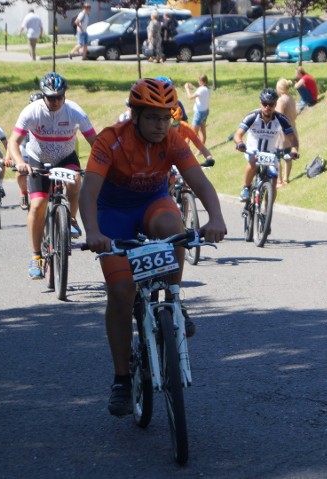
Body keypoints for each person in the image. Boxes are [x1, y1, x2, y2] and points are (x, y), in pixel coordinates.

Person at [79, 78, 227, 417]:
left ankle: (174, 299)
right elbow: (89, 191)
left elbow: (200, 182)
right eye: (153, 118)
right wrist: (93, 232)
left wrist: (216, 218)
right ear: (135, 116)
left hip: (152, 204)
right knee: (121, 291)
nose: (161, 125)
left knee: (174, 227)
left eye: (167, 117)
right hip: (112, 214)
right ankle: (120, 379)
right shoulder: (110, 140)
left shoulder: (173, 140)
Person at [9, 72, 97, 279]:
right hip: (37, 158)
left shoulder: (75, 112)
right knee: (38, 204)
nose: (55, 101)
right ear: (43, 96)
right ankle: (36, 256)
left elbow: (96, 143)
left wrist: (99, 165)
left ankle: (72, 219)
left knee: (76, 181)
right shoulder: (32, 111)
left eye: (59, 96)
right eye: (50, 97)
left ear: (65, 95)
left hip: (65, 157)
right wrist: (21, 163)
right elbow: (13, 141)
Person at [233, 88, 299, 202]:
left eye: (271, 104)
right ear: (260, 103)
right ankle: (246, 188)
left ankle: (267, 211)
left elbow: (293, 139)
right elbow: (238, 135)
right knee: (254, 161)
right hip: (253, 150)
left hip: (270, 153)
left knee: (273, 180)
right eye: (265, 104)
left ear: (275, 105)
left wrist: (294, 150)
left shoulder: (281, 119)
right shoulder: (253, 116)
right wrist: (240, 143)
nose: (267, 107)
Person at [275, 78, 299, 186]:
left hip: (283, 130)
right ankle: (286, 178)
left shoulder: (281, 100)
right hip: (292, 128)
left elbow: (278, 115)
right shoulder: (291, 98)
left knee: (277, 156)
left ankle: (279, 180)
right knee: (288, 155)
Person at [184, 75, 210, 144]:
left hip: (199, 113)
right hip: (205, 111)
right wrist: (192, 86)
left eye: (199, 81)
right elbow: (199, 90)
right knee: (202, 130)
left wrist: (187, 88)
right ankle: (201, 148)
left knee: (192, 132)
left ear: (201, 81)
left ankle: (188, 147)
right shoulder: (207, 88)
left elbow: (190, 97)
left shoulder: (201, 90)